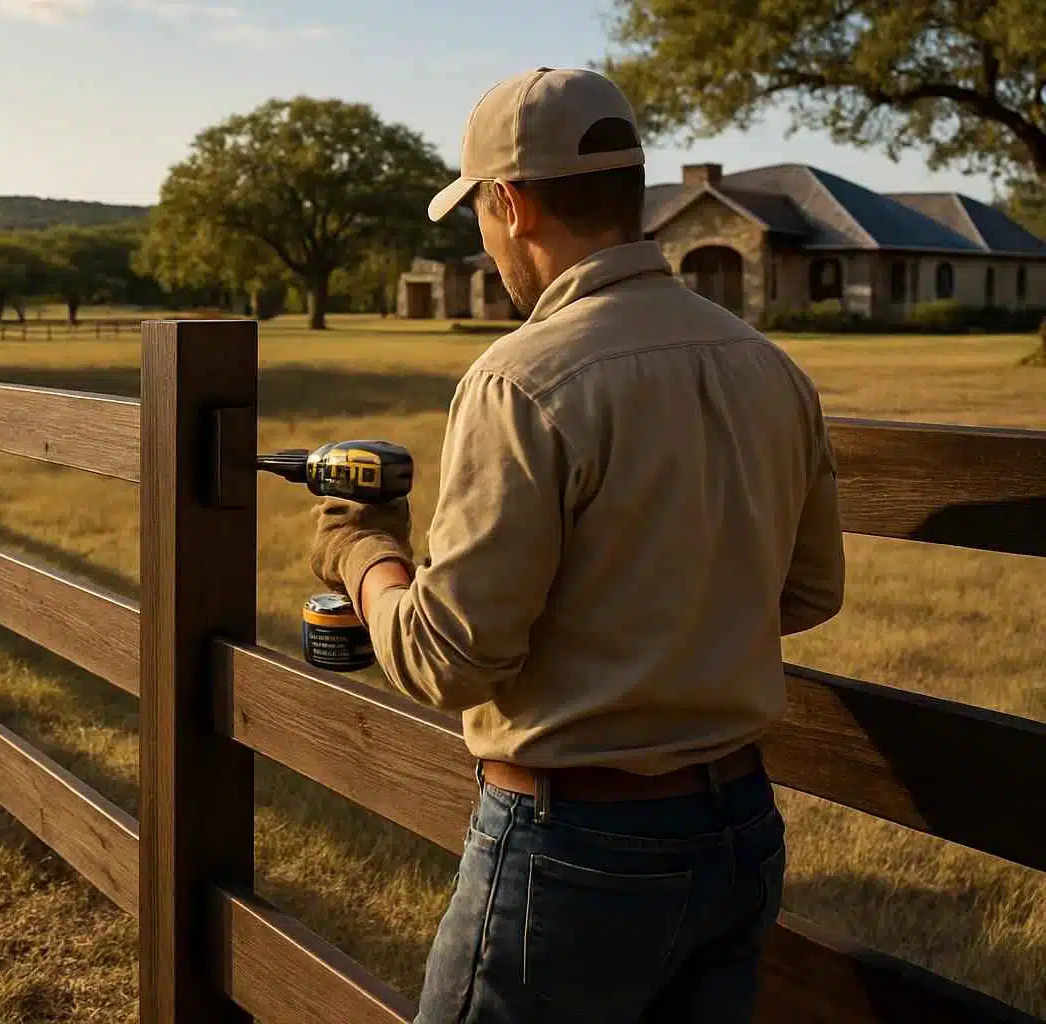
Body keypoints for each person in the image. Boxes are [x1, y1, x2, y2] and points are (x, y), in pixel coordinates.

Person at [307, 67, 845, 1023]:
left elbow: (448, 658)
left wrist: (361, 552)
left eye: (477, 207)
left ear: (509, 203)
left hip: (573, 848)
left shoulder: (519, 381)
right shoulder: (769, 367)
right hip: (740, 835)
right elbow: (806, 594)